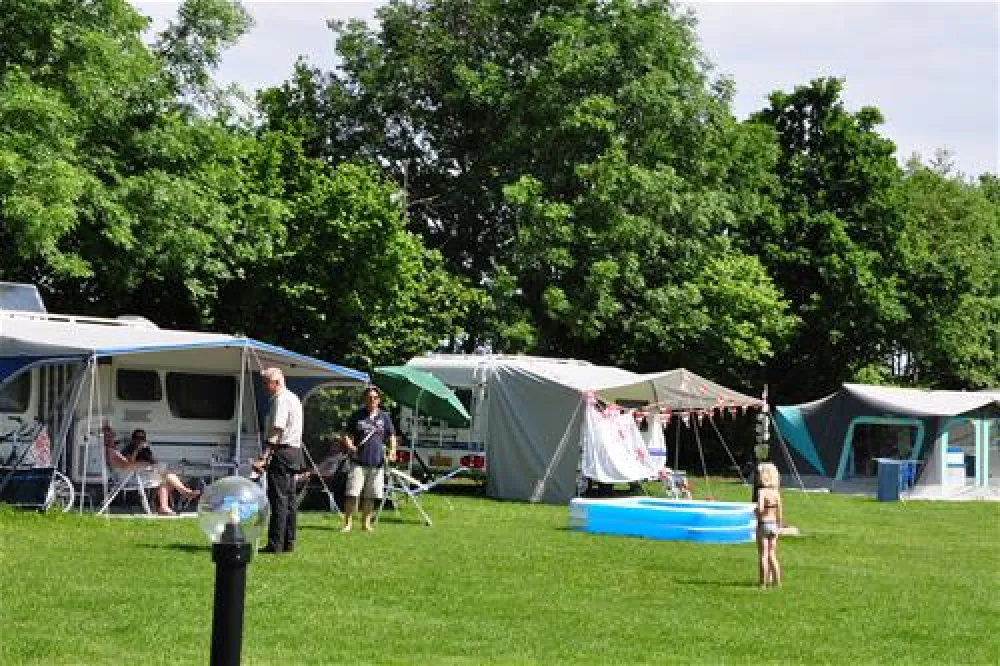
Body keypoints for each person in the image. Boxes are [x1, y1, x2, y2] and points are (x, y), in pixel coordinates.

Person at [102, 426, 201, 515]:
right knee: (165, 473)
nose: (113, 438)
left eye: (142, 438)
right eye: (110, 437)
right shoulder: (119, 450)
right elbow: (126, 465)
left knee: (165, 475)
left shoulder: (113, 450)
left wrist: (149, 462)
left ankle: (166, 505)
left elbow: (149, 460)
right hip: (129, 477)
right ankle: (183, 493)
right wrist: (140, 459)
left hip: (137, 474)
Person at [340, 384, 396, 532]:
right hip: (358, 461)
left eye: (375, 397)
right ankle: (347, 524)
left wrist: (392, 451)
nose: (372, 400)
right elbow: (346, 434)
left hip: (377, 463)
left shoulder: (385, 417)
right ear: (365, 399)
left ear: (379, 400)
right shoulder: (357, 415)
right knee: (353, 494)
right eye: (369, 397)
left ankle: (366, 524)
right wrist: (350, 445)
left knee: (370, 496)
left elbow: (391, 436)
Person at [260, 367, 304, 554]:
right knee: (290, 500)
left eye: (266, 382)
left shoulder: (281, 400)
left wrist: (264, 457)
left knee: (278, 499)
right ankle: (288, 542)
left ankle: (275, 544)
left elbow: (277, 430)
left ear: (276, 382)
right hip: (294, 452)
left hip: (282, 452)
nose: (264, 386)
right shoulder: (293, 397)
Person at [755, 462, 783, 589]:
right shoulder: (776, 493)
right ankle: (777, 583)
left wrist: (755, 511)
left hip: (763, 524)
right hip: (774, 525)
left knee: (763, 555)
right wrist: (779, 527)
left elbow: (760, 509)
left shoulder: (762, 492)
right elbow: (780, 514)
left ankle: (762, 584)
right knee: (773, 555)